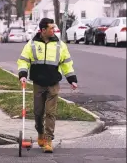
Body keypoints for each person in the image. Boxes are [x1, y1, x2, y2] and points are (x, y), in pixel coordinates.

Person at [17, 18, 78, 153]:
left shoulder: (60, 45)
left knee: (50, 112)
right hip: (38, 83)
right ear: (43, 30)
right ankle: (40, 132)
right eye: (51, 28)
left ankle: (48, 140)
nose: (54, 30)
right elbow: (23, 61)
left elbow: (66, 63)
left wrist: (71, 79)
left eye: (54, 28)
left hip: (53, 83)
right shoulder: (32, 44)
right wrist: (22, 74)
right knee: (38, 113)